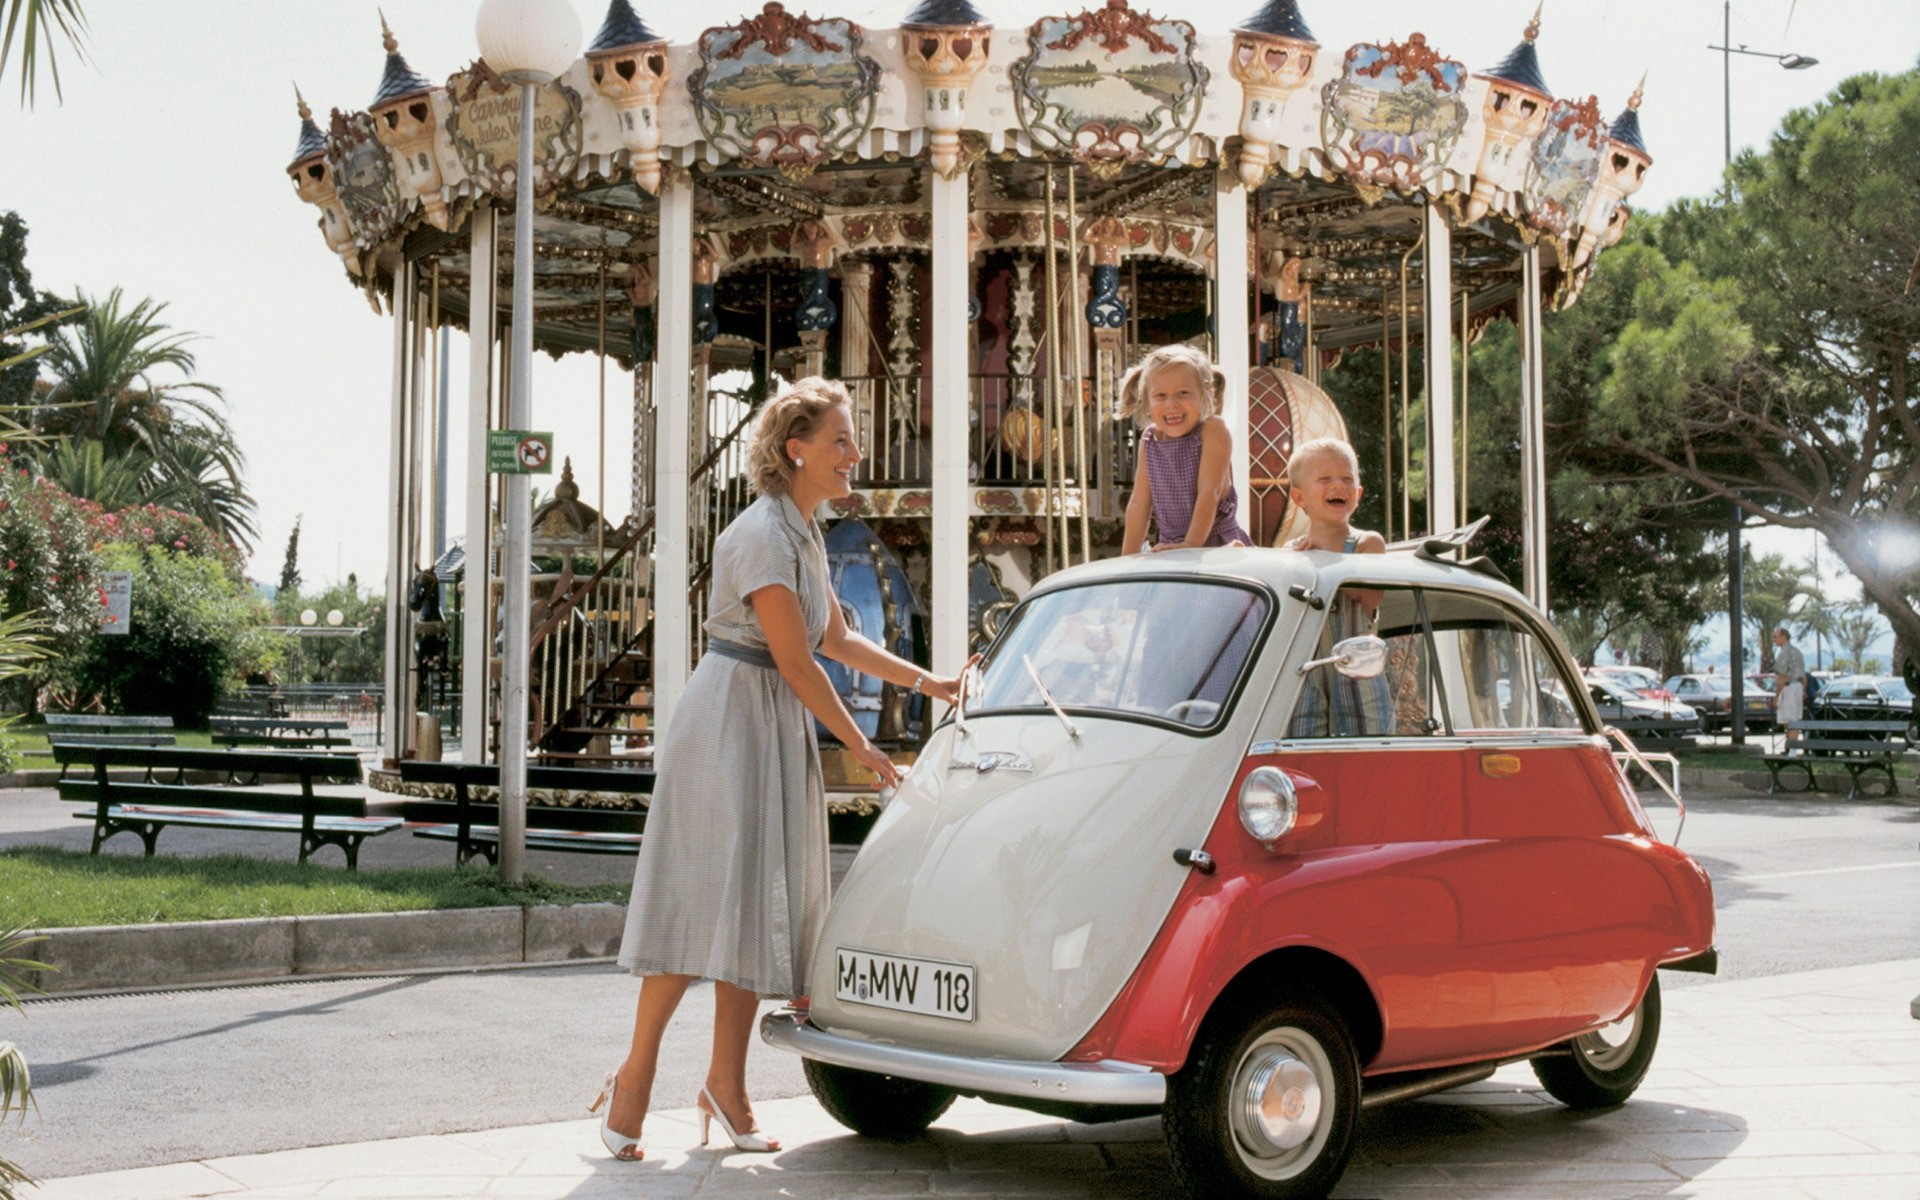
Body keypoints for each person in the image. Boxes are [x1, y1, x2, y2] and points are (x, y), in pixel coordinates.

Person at [595, 378, 967, 1161]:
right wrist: (861, 747)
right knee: (696, 897)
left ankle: (725, 1087)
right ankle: (636, 1076)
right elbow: (797, 662)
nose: (854, 455)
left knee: (751, 903)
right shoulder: (764, 533)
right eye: (841, 441)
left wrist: (927, 682)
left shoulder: (803, 531)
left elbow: (837, 641)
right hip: (731, 716)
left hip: (768, 717)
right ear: (795, 447)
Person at [1282, 437, 1394, 737]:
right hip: (1309, 669)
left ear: (1358, 493)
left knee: (1366, 747)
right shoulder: (1292, 550)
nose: (1338, 486)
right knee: (1304, 744)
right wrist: (1299, 563)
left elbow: (1370, 598)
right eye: (1325, 479)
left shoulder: (1365, 543)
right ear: (1299, 498)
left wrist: (1325, 560)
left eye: (1347, 479)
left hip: (1360, 671)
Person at [1120, 344, 1251, 553]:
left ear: (1207, 394)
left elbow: (1210, 492)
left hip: (1215, 546)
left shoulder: (1213, 430)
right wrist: (1127, 557)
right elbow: (1139, 504)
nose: (1171, 404)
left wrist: (1189, 546)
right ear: (1146, 401)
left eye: (1183, 393)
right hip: (1171, 549)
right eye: (1160, 395)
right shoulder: (1151, 439)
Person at [1773, 627, 1808, 741]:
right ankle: (1790, 748)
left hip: (1788, 688)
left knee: (1789, 721)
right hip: (1798, 687)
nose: (1774, 640)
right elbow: (1804, 676)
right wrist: (1803, 691)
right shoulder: (1797, 652)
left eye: (1776, 637)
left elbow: (1781, 677)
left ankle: (1792, 750)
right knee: (1793, 720)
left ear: (1784, 637)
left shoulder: (1784, 653)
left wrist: (1776, 696)